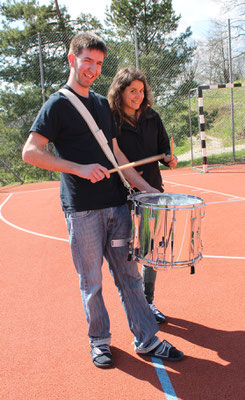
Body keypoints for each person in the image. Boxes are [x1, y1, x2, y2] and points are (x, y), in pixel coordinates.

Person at [22, 32, 183, 369]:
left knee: (129, 276)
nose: (92, 69)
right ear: (72, 60)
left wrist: (145, 189)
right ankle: (99, 341)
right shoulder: (57, 105)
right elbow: (31, 152)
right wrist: (78, 168)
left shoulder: (100, 104)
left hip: (117, 205)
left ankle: (147, 339)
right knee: (91, 282)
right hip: (82, 211)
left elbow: (116, 152)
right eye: (87, 61)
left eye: (98, 63)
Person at [107, 67, 178, 324]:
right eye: (132, 91)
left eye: (141, 91)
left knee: (150, 249)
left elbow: (163, 150)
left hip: (152, 193)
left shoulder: (152, 116)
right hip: (122, 196)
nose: (138, 96)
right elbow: (114, 155)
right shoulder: (111, 120)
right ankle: (135, 302)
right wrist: (133, 181)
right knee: (128, 252)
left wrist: (169, 159)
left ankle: (148, 301)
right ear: (120, 91)